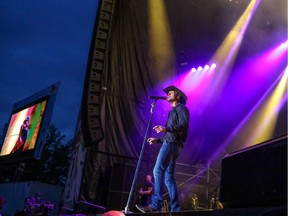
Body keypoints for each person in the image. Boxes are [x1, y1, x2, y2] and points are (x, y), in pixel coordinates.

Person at [136, 85, 190, 213]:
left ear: (178, 96)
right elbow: (170, 133)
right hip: (172, 143)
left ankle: (155, 205)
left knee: (157, 170)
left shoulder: (181, 108)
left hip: (172, 144)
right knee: (168, 177)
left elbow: (184, 124)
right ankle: (176, 209)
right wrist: (158, 140)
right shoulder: (172, 111)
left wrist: (167, 129)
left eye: (171, 93)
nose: (168, 94)